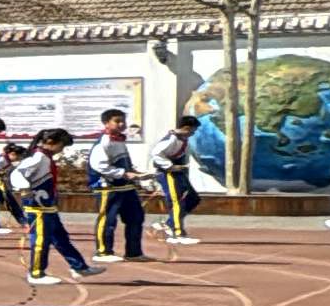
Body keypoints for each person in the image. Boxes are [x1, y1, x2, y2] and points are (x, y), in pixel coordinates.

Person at [15, 129, 97, 285]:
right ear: (51, 143)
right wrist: (24, 188)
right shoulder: (38, 158)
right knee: (40, 240)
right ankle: (37, 273)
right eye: (62, 146)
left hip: (48, 207)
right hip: (38, 208)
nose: (62, 150)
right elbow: (17, 173)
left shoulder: (45, 158)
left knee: (61, 239)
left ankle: (79, 267)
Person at [83, 110, 148, 264]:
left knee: (136, 217)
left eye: (123, 121)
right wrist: (123, 174)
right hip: (108, 187)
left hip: (126, 187)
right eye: (117, 121)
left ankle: (134, 252)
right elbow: (99, 166)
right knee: (108, 220)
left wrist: (135, 173)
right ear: (106, 123)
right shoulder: (104, 142)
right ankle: (103, 251)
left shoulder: (119, 141)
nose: (121, 124)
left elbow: (124, 163)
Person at [151, 115, 204, 246]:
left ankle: (169, 223)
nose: (193, 133)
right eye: (193, 130)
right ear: (186, 128)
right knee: (176, 201)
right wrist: (169, 166)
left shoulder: (183, 139)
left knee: (193, 198)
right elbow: (155, 153)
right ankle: (176, 233)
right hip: (168, 172)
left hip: (179, 172)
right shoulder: (171, 139)